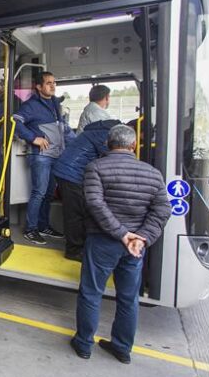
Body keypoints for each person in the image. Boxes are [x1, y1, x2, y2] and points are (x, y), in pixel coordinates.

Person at [70, 125, 170, 363]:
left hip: (103, 241)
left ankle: (84, 344)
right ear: (133, 145)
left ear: (108, 143)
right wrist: (140, 237)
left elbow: (94, 204)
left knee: (91, 293)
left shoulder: (95, 168)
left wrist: (122, 233)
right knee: (128, 297)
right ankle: (122, 348)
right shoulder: (153, 173)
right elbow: (163, 210)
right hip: (134, 247)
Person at [13, 71, 72, 245]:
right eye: (48, 83)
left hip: (55, 154)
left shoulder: (54, 103)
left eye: (54, 83)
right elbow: (15, 122)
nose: (53, 86)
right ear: (39, 87)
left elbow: (62, 128)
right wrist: (33, 138)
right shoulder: (31, 105)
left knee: (48, 194)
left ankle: (43, 225)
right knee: (39, 192)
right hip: (41, 156)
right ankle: (30, 230)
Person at [53, 119, 121, 261]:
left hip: (67, 171)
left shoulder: (95, 130)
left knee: (80, 211)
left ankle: (79, 245)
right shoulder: (105, 134)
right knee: (75, 213)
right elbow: (112, 156)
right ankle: (73, 250)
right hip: (71, 174)